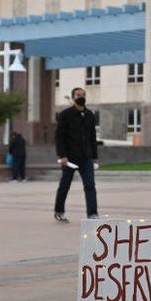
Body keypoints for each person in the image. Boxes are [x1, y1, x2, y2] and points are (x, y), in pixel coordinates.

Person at [54, 87, 99, 222]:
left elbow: (92, 137)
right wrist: (62, 155)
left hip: (86, 157)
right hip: (70, 157)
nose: (81, 97)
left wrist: (94, 156)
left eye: (83, 95)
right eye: (78, 95)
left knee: (90, 185)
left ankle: (92, 214)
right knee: (65, 185)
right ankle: (59, 211)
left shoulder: (90, 115)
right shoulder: (65, 115)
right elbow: (59, 137)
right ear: (73, 97)